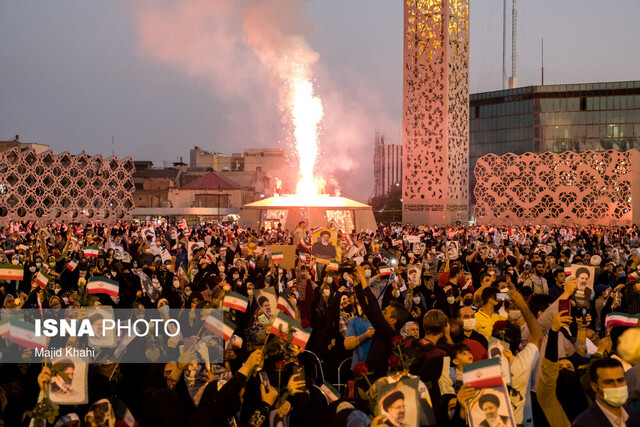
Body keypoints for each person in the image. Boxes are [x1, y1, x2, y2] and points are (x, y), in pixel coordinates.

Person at [573, 357, 640, 427]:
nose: (617, 386)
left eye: (620, 380)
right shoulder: (583, 424)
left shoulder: (635, 416)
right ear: (594, 387)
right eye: (608, 382)